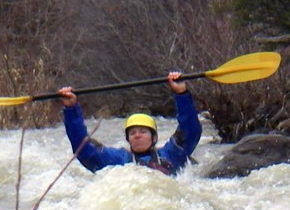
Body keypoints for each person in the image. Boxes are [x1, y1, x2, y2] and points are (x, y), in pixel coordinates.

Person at [59, 72, 202, 176]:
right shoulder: (118, 160)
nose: (137, 136)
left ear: (154, 138)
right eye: (132, 133)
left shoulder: (171, 155)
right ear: (128, 139)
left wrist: (181, 93)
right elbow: (83, 148)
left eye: (143, 131)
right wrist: (71, 109)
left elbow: (190, 130)